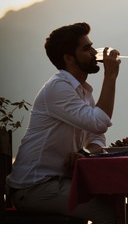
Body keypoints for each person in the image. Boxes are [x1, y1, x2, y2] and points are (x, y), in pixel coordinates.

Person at [6, 22, 121, 223]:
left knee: (116, 199)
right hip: (33, 187)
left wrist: (85, 153)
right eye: (86, 48)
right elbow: (98, 123)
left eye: (92, 46)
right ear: (68, 58)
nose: (95, 52)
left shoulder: (83, 91)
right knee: (107, 211)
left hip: (58, 182)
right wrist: (110, 77)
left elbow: (97, 137)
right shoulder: (58, 88)